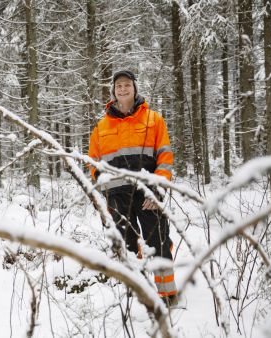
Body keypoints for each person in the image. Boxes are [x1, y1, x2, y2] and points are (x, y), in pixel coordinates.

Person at [88, 70, 178, 305]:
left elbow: (165, 156)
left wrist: (157, 190)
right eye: (118, 85)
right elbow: (93, 161)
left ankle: (167, 294)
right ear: (113, 92)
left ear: (135, 89)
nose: (123, 89)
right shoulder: (101, 127)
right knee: (125, 246)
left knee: (158, 240)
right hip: (117, 196)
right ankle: (136, 292)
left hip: (147, 193)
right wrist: (104, 188)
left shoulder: (153, 119)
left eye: (127, 85)